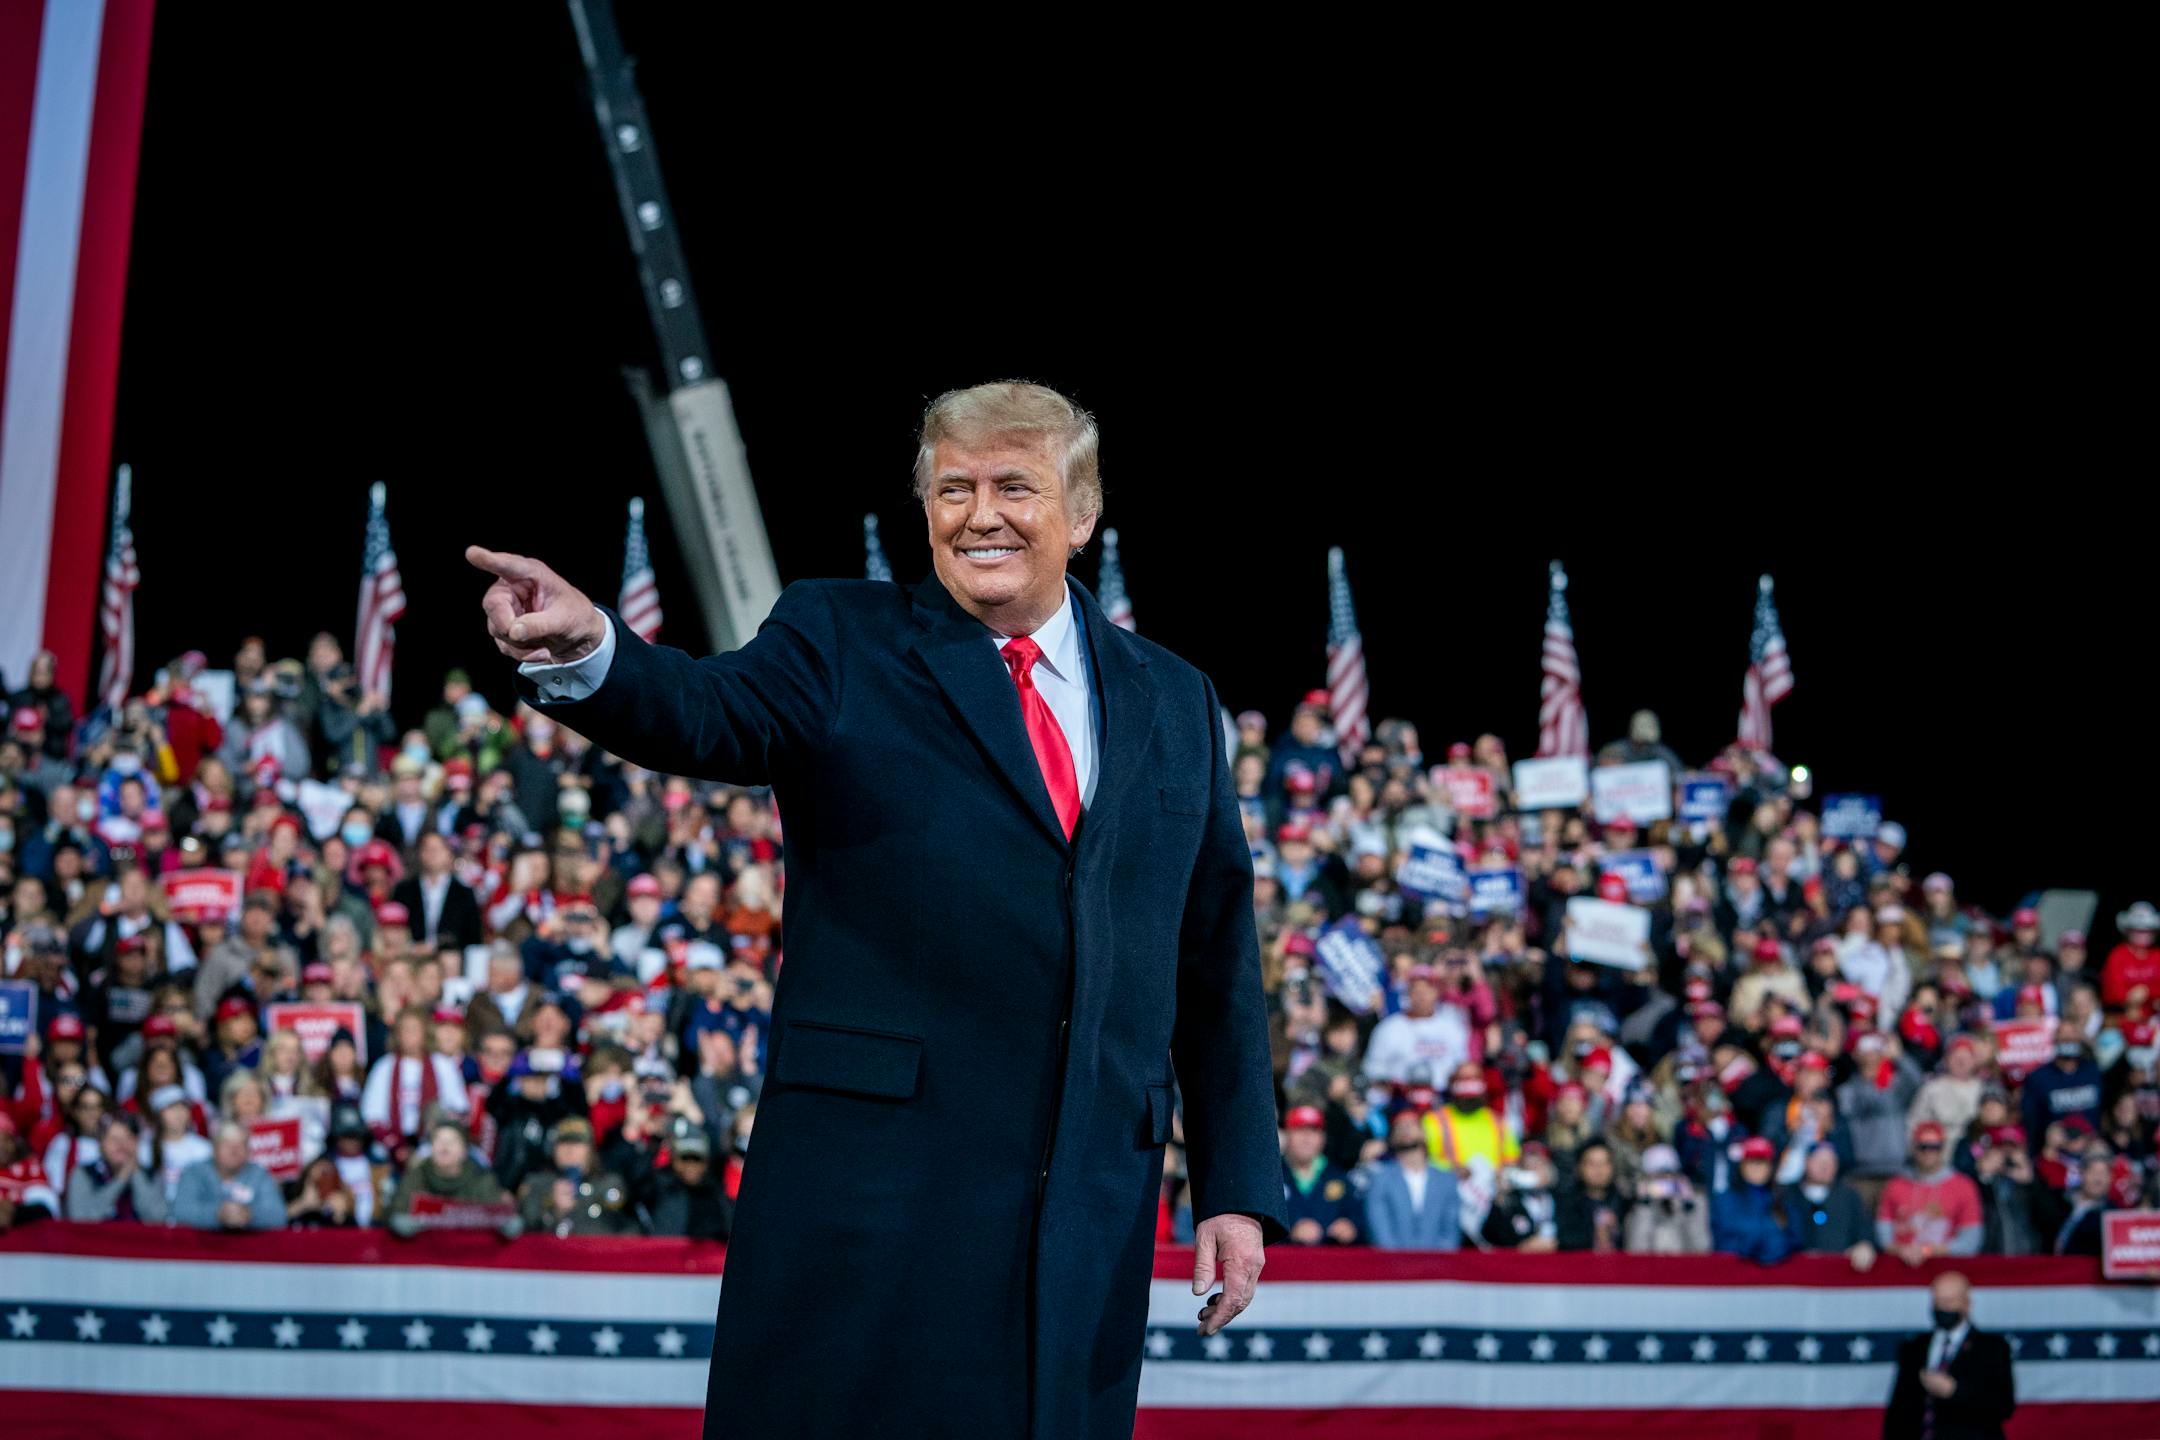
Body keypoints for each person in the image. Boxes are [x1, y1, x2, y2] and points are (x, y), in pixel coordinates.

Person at [471, 381, 1284, 1437]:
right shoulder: (840, 638)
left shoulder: (1175, 697)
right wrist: (592, 653)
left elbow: (1214, 955)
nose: (979, 514)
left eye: (1013, 487)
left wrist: (1233, 1185)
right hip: (874, 1202)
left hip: (1084, 1212)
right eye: (954, 489)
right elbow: (707, 714)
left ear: (1081, 515)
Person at [1883, 1271, 2016, 1440]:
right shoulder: (1914, 1347)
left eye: (1949, 1302)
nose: (1942, 1308)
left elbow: (2003, 1407)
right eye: (1937, 1301)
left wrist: (1955, 1391)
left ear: (1966, 1304)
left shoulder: (1992, 1348)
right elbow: (1897, 1412)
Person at [1877, 1122, 1984, 1263]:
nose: (1928, 1152)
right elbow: (1883, 1237)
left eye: (1935, 1147)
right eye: (1923, 1147)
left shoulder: (1963, 1186)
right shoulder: (1895, 1185)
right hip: (1901, 1267)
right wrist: (1902, 1250)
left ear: (1943, 1148)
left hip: (1947, 1268)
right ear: (1914, 1148)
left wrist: (1927, 1251)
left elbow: (1971, 1242)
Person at [1362, 1106, 1460, 1249]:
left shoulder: (1446, 1180)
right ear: (1392, 1138)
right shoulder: (1380, 1179)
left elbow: (1450, 1232)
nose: (1405, 1129)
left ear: (1424, 1133)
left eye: (1411, 1124)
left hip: (1437, 1267)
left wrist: (1434, 1265)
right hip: (1392, 1266)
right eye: (1399, 1126)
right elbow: (1380, 1231)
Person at [172, 1121, 285, 1230]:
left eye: (240, 1145)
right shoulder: (194, 1173)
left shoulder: (259, 1174)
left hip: (247, 1247)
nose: (234, 1150)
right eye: (227, 1144)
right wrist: (218, 1215)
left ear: (248, 1151)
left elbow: (278, 1216)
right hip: (200, 1247)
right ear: (214, 1149)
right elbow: (181, 1211)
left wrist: (249, 1215)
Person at [1781, 1141, 1877, 1268]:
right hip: (1794, 1272)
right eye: (1820, 1162)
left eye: (1831, 1162)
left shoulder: (1849, 1196)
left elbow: (1865, 1232)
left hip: (1838, 1273)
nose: (1825, 1167)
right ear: (1806, 1162)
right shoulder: (1786, 1195)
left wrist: (1864, 1246)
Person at [65, 1113, 169, 1223]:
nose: (121, 1145)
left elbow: (156, 1218)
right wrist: (121, 1179)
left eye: (128, 1137)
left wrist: (136, 1172)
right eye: (113, 1139)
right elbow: (81, 1220)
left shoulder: (151, 1175)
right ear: (101, 1143)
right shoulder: (83, 1173)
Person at [1711, 1135, 1795, 1264]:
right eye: (1752, 1161)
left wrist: (1775, 1249)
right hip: (1736, 1276)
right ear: (1742, 1166)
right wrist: (1752, 1243)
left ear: (1771, 1167)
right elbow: (1722, 1243)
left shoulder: (1783, 1199)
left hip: (1777, 1275)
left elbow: (1795, 1239)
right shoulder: (1724, 1200)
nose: (1757, 1167)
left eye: (1762, 1162)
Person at [1556, 1139, 1630, 1252]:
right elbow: (1563, 1240)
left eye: (1604, 1163)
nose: (1599, 1170)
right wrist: (1593, 1232)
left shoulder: (1625, 1203)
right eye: (1592, 1164)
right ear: (1579, 1168)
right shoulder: (1565, 1204)